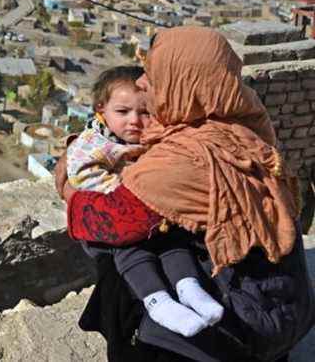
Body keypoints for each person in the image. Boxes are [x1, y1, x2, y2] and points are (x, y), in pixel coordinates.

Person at [56, 27, 315, 361]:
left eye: (155, 73)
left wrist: (67, 174)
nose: (145, 83)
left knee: (119, 249)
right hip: (287, 306)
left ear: (187, 83)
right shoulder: (244, 123)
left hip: (246, 326)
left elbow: (98, 222)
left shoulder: (188, 157)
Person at [67, 65, 224, 337]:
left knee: (174, 243)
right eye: (122, 112)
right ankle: (158, 302)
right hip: (120, 215)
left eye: (144, 112)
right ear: (101, 110)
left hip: (156, 214)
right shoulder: (94, 143)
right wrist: (130, 189)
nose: (134, 121)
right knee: (131, 253)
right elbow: (81, 174)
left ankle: (190, 289)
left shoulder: (155, 138)